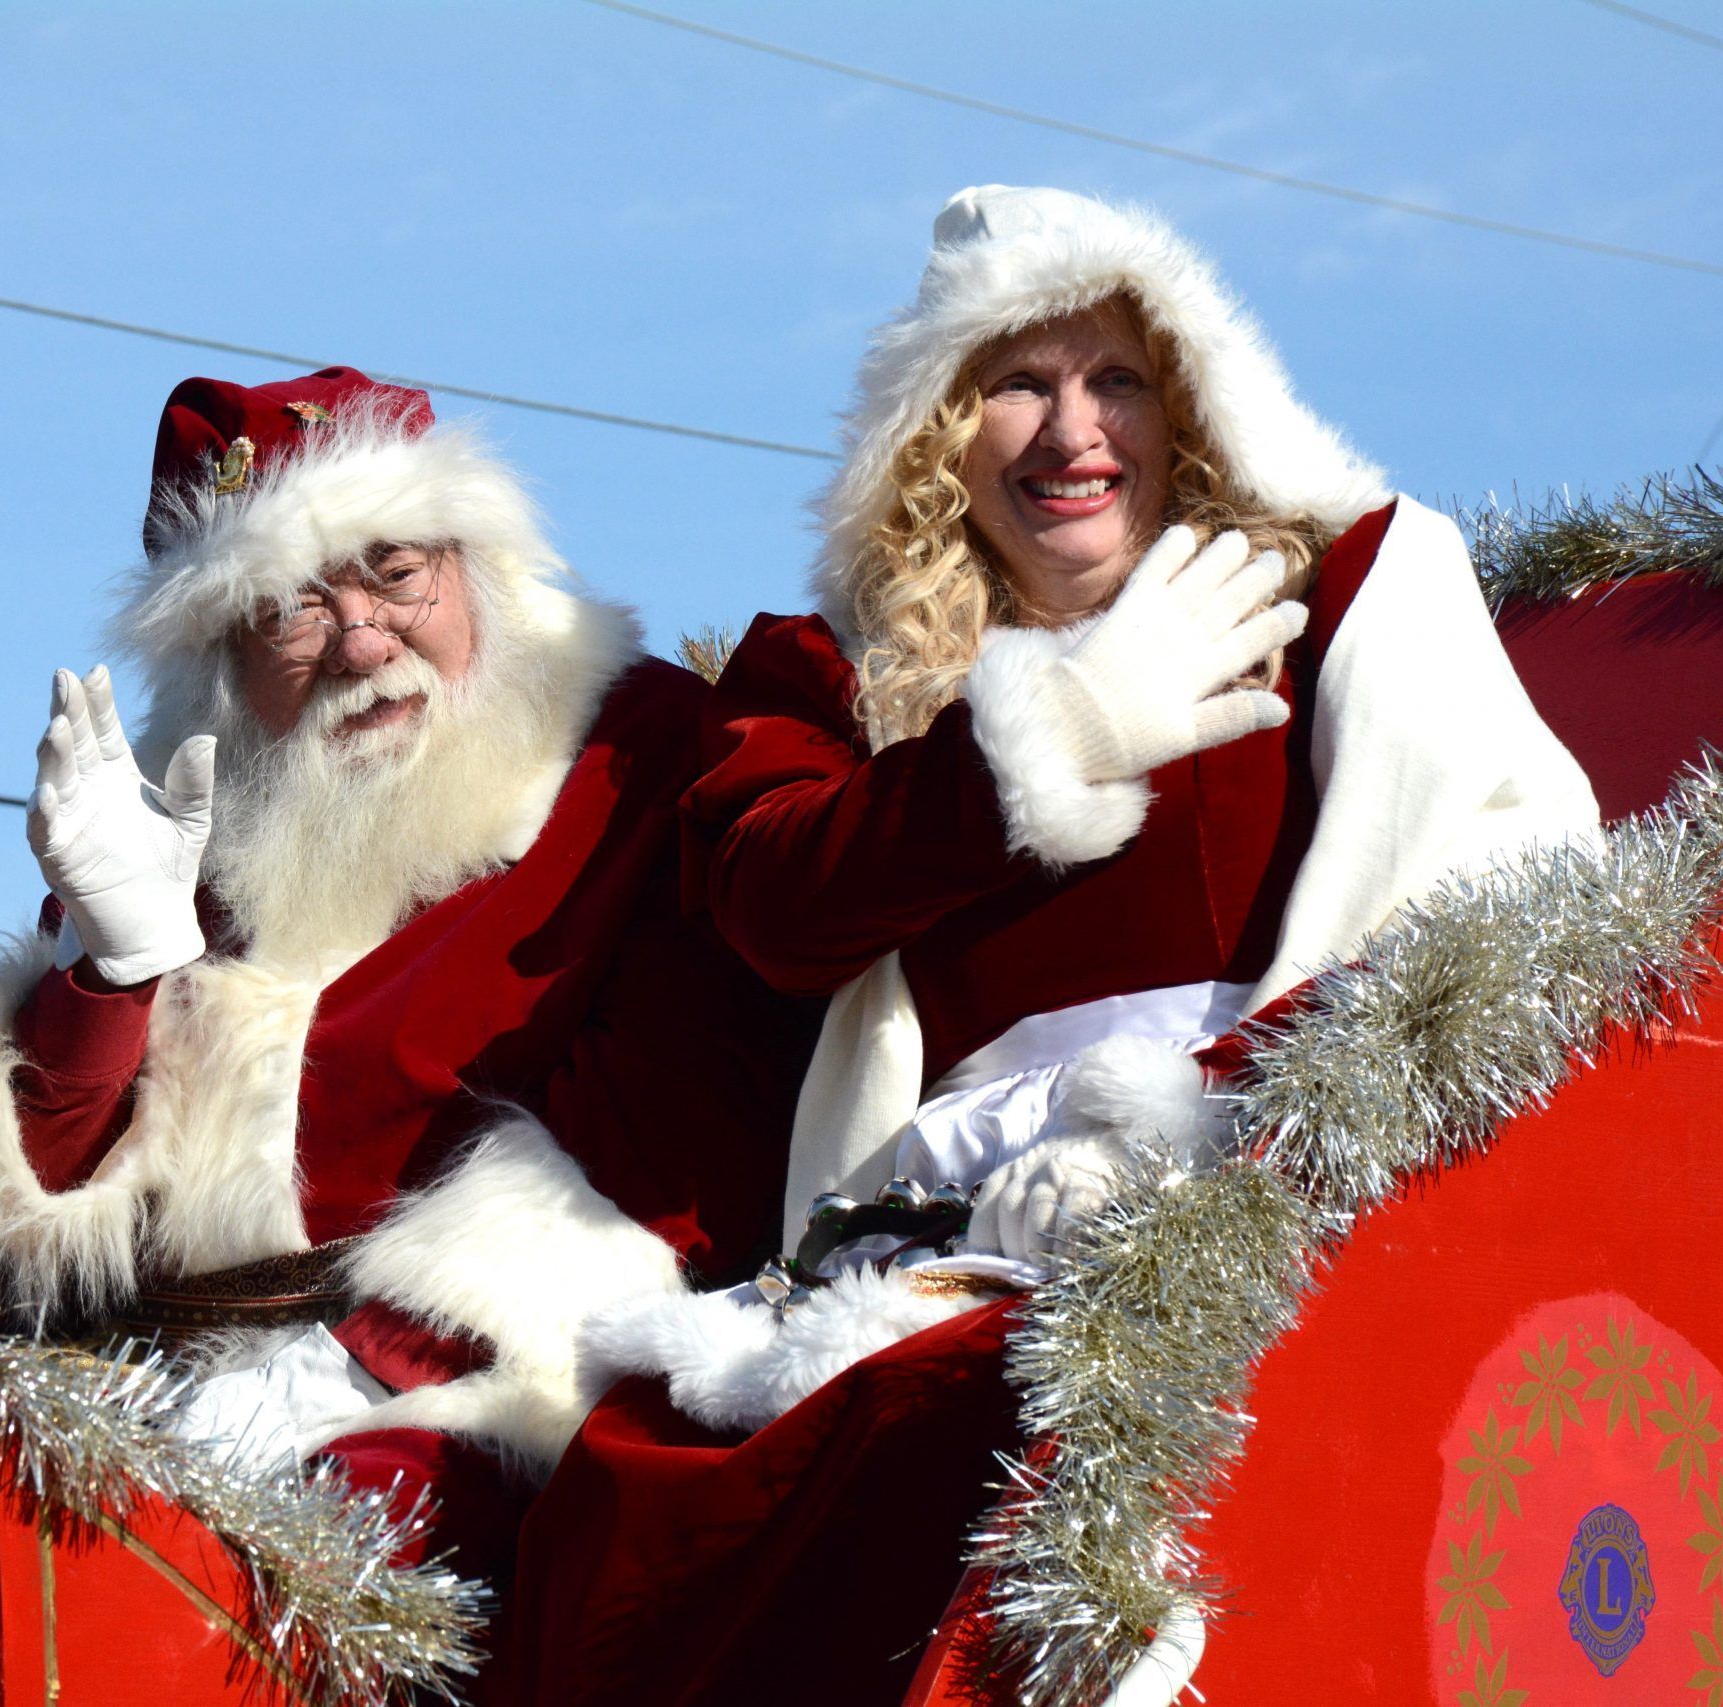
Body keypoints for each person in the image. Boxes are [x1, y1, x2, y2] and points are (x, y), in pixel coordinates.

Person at [493, 187, 1598, 1705]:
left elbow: (1506, 885)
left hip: (1264, 1156)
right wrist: (1042, 739)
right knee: (635, 1504)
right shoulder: (833, 674)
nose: (1073, 431)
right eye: (1017, 381)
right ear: (935, 433)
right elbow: (775, 902)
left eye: (1118, 378)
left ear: (1196, 402)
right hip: (936, 1209)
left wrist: (1208, 1123)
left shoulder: (1349, 592)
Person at [0, 365, 816, 1583]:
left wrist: (352, 1374)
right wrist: (112, 969)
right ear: (226, 658)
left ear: (470, 562)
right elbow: (28, 1227)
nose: (362, 641)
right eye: (289, 608)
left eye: (396, 572)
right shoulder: (192, 828)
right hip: (156, 1404)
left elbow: (691, 1128)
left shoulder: (628, 757)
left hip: (495, 1404)